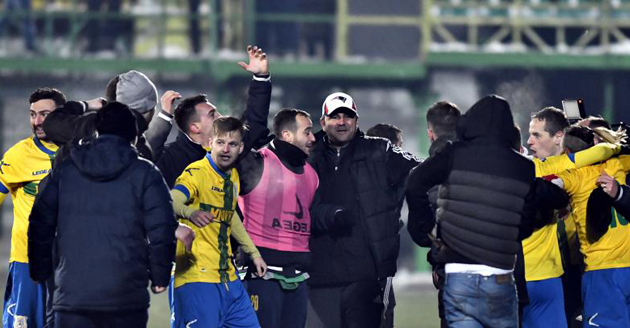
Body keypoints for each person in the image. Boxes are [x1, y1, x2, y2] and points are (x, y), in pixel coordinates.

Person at [27, 102, 178, 328]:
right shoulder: (145, 173)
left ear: (96, 131)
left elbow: (41, 221)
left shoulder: (67, 169)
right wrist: (160, 276)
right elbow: (162, 228)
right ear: (134, 136)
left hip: (72, 296)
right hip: (126, 298)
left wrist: (40, 269)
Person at [406, 95, 537, 328]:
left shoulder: (455, 154)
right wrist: (511, 235)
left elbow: (415, 182)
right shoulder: (523, 166)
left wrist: (425, 233)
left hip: (459, 272)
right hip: (501, 272)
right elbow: (530, 213)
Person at [307, 92, 421, 328]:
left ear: (356, 120)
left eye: (348, 116)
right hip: (318, 276)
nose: (341, 122)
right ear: (322, 122)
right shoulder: (307, 154)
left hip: (365, 277)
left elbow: (422, 173)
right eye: (335, 116)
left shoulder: (379, 150)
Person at [170, 117, 267, 328]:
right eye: (220, 142)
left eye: (232, 144)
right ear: (210, 142)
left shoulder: (232, 176)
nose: (226, 149)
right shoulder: (197, 173)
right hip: (197, 279)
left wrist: (253, 252)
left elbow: (230, 215)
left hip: (228, 279)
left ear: (241, 148)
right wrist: (190, 212)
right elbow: (171, 201)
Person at [237, 108, 317, 328]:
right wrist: (261, 82)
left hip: (298, 276)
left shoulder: (311, 174)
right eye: (307, 132)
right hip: (261, 275)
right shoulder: (258, 161)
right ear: (287, 135)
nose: (313, 138)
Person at [156, 45, 271, 188]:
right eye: (212, 115)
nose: (221, 116)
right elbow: (146, 156)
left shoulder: (228, 148)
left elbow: (254, 124)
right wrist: (165, 117)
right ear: (195, 127)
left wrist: (260, 78)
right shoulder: (170, 158)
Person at [552, 125, 630, 328]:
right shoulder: (617, 164)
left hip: (602, 272)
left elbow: (551, 183)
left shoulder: (574, 176)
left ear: (567, 153)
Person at [1, 88, 65, 328]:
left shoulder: (79, 152)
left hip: (69, 263)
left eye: (45, 114)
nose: (37, 121)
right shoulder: (19, 155)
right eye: (32, 114)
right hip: (28, 260)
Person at [406, 100, 460, 328]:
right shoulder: (478, 160)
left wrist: (433, 243)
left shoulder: (429, 171)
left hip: (452, 267)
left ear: (430, 132)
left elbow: (424, 227)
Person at [42, 70, 172, 162]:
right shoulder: (140, 150)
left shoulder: (88, 124)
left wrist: (86, 105)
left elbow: (50, 123)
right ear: (148, 110)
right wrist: (166, 116)